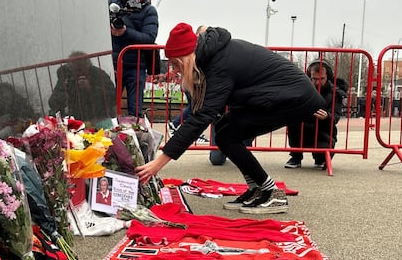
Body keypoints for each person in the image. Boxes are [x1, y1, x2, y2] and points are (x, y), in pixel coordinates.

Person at [135, 23, 328, 215]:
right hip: (279, 94)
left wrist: (159, 162)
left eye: (176, 64)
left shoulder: (218, 64)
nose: (175, 70)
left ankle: (272, 193)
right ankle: (257, 188)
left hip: (292, 97)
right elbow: (199, 111)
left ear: (187, 58)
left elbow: (200, 118)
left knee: (228, 136)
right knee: (225, 131)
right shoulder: (210, 56)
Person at [109, 0, 159, 117]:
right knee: (108, 107)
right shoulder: (111, 4)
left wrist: (125, 32)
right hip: (113, 64)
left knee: (135, 110)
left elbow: (149, 38)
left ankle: (135, 137)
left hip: (136, 66)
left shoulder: (149, 10)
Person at [285, 60, 348, 170]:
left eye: (321, 79)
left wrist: (327, 116)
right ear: (309, 76)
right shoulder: (302, 89)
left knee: (321, 159)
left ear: (328, 76)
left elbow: (336, 116)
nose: (317, 82)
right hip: (303, 128)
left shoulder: (335, 93)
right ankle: (296, 156)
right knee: (293, 122)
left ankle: (320, 157)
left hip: (323, 131)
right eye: (314, 79)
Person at [48, 51, 117, 125]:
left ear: (88, 66)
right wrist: (66, 90)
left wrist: (90, 88)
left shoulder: (99, 75)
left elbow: (112, 97)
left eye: (81, 68)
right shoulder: (66, 78)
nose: (78, 72)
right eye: (75, 69)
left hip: (100, 119)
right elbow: (53, 103)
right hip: (75, 122)